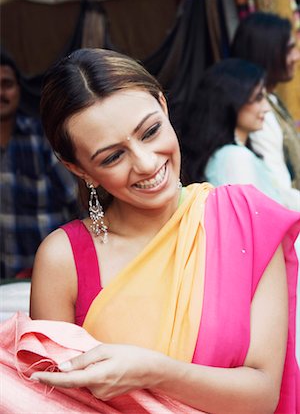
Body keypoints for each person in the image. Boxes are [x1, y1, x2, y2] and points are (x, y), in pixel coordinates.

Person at [23, 48, 299, 413]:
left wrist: (154, 372)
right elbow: (48, 403)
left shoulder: (245, 219)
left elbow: (262, 394)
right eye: (112, 157)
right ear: (80, 169)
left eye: (150, 131)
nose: (147, 163)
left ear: (163, 105)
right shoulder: (64, 260)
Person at [0, 50, 79, 279]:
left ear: (19, 91)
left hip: (47, 274)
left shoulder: (42, 139)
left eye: (7, 84)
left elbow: (77, 200)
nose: (1, 92)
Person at [183, 58, 283, 205]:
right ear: (232, 102)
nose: (266, 107)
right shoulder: (234, 158)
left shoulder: (232, 154)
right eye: (258, 98)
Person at [231, 11, 300, 211]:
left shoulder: (272, 100)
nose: (296, 56)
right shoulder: (259, 117)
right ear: (268, 54)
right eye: (289, 50)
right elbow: (280, 192)